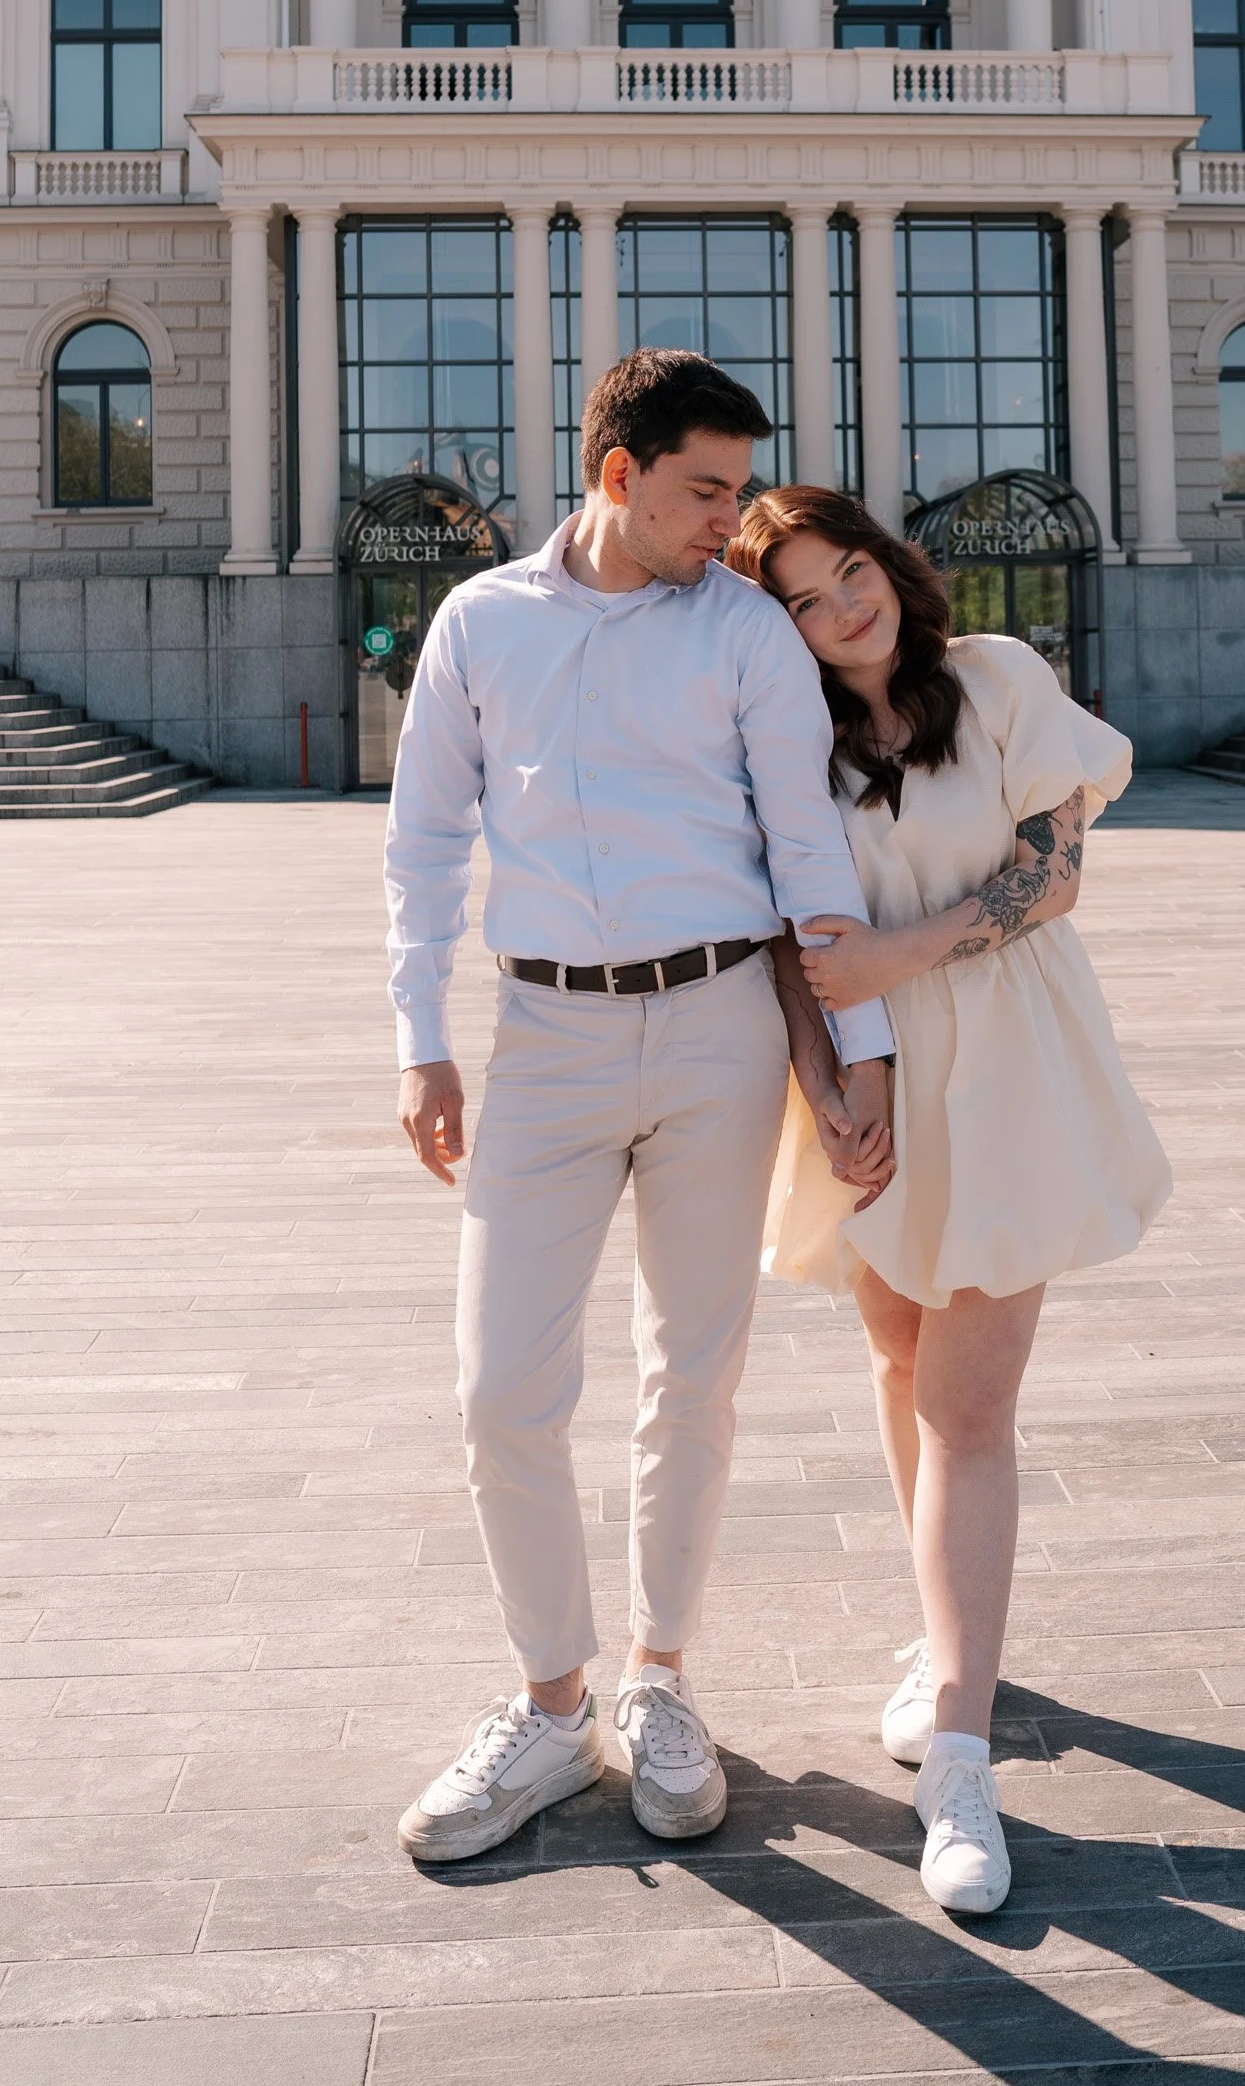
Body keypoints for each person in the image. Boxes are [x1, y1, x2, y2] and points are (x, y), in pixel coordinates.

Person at [385, 354, 896, 1864]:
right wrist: (421, 1043)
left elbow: (806, 848)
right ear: (619, 474)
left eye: (737, 491)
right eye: (704, 491)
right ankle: (553, 1707)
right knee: (500, 1388)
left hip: (720, 1031)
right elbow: (424, 846)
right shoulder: (480, 623)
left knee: (695, 1373)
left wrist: (858, 1051)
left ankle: (661, 1682)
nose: (730, 522)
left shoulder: (744, 631)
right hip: (542, 1036)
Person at [726, 486, 1171, 1916]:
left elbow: (1054, 877)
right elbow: (786, 944)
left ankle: (962, 1762)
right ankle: (943, 1637)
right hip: (874, 1075)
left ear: (887, 565)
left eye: (848, 572)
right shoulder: (788, 743)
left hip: (1010, 1060)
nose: (840, 608)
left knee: (970, 1403)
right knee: (901, 1359)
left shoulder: (994, 678)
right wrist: (824, 1087)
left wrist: (899, 955)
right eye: (803, 600)